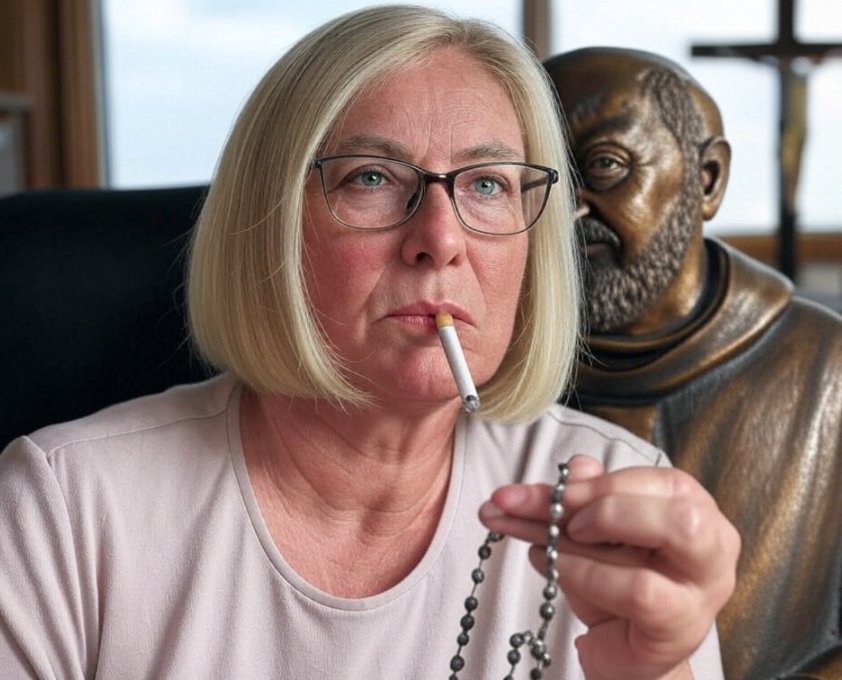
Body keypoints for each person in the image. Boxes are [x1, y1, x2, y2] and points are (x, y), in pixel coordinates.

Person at [0, 10, 739, 679]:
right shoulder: (64, 510)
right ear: (269, 227)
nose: (440, 239)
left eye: (487, 185)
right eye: (372, 177)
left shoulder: (616, 503)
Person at [543, 46, 842, 680]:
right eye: (542, 175)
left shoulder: (828, 370)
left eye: (605, 166)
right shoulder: (482, 372)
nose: (567, 209)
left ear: (707, 179)